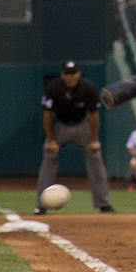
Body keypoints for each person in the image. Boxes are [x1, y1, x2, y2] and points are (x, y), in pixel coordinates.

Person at [35, 61, 114, 214]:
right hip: (59, 126)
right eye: (67, 73)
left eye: (73, 73)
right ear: (62, 74)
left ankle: (104, 203)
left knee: (95, 158)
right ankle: (41, 204)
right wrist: (50, 139)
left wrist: (93, 139)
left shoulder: (87, 88)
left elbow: (93, 116)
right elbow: (47, 115)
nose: (70, 77)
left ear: (78, 74)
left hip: (82, 125)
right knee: (49, 158)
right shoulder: (54, 88)